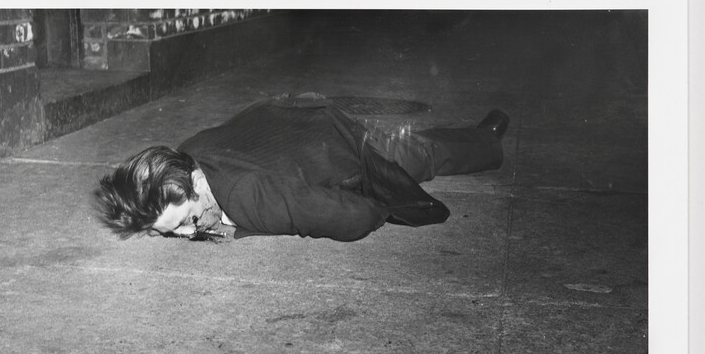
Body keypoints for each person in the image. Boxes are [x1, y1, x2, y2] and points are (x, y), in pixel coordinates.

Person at [95, 93, 509, 242]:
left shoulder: (247, 199)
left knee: (415, 157)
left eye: (186, 219)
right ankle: (470, 136)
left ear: (197, 181)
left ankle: (487, 141)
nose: (188, 233)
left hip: (332, 139)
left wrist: (375, 202)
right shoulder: (185, 154)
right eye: (170, 230)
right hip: (287, 118)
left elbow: (347, 218)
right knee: (407, 143)